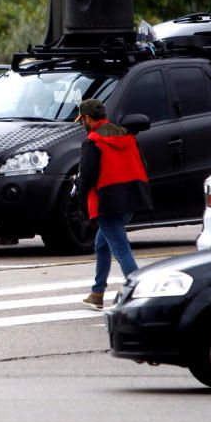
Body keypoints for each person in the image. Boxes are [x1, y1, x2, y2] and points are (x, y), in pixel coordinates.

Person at [75, 98, 153, 310]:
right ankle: (97, 292)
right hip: (130, 198)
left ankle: (140, 295)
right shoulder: (125, 135)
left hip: (106, 201)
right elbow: (142, 164)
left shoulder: (93, 142)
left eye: (82, 120)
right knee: (102, 244)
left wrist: (80, 195)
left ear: (88, 118)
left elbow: (88, 176)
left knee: (121, 249)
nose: (82, 124)